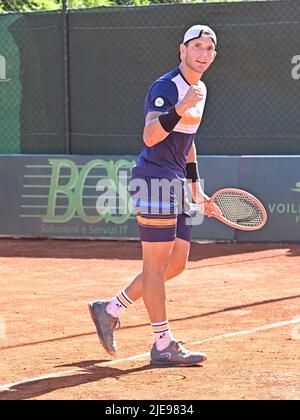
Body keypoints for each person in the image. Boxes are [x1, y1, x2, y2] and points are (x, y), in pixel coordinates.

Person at [89, 25, 217, 366]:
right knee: (155, 267)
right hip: (154, 181)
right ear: (182, 50)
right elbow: (149, 136)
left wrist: (196, 188)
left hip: (177, 182)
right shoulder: (166, 87)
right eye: (197, 46)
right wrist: (180, 107)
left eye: (209, 48)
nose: (203, 53)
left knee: (175, 265)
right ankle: (162, 344)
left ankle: (110, 308)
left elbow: (188, 143)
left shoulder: (200, 88)